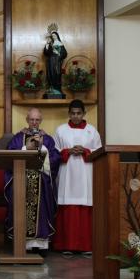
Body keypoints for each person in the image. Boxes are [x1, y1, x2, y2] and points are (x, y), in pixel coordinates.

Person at [4, 108, 60, 254]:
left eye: (37, 120)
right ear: (27, 120)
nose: (34, 122)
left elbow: (55, 159)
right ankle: (23, 244)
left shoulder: (47, 139)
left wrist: (43, 148)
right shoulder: (18, 138)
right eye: (31, 119)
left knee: (43, 195)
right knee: (19, 195)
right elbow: (9, 156)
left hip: (41, 177)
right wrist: (25, 148)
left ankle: (40, 245)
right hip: (21, 177)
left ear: (40, 121)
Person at [52, 99, 102, 256]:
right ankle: (66, 245)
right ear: (69, 113)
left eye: (79, 113)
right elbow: (54, 152)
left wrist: (86, 151)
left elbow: (99, 151)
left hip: (85, 172)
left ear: (84, 114)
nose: (75, 116)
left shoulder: (92, 131)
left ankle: (86, 245)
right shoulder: (61, 130)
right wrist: (67, 152)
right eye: (72, 113)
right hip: (67, 173)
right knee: (67, 206)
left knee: (85, 206)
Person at [43, 30, 67, 98]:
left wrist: (59, 55)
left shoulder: (60, 43)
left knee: (57, 74)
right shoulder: (51, 44)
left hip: (57, 61)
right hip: (50, 61)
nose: (53, 37)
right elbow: (46, 53)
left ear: (57, 36)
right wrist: (47, 45)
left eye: (54, 35)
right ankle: (51, 88)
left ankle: (57, 89)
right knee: (50, 74)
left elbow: (64, 53)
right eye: (52, 36)